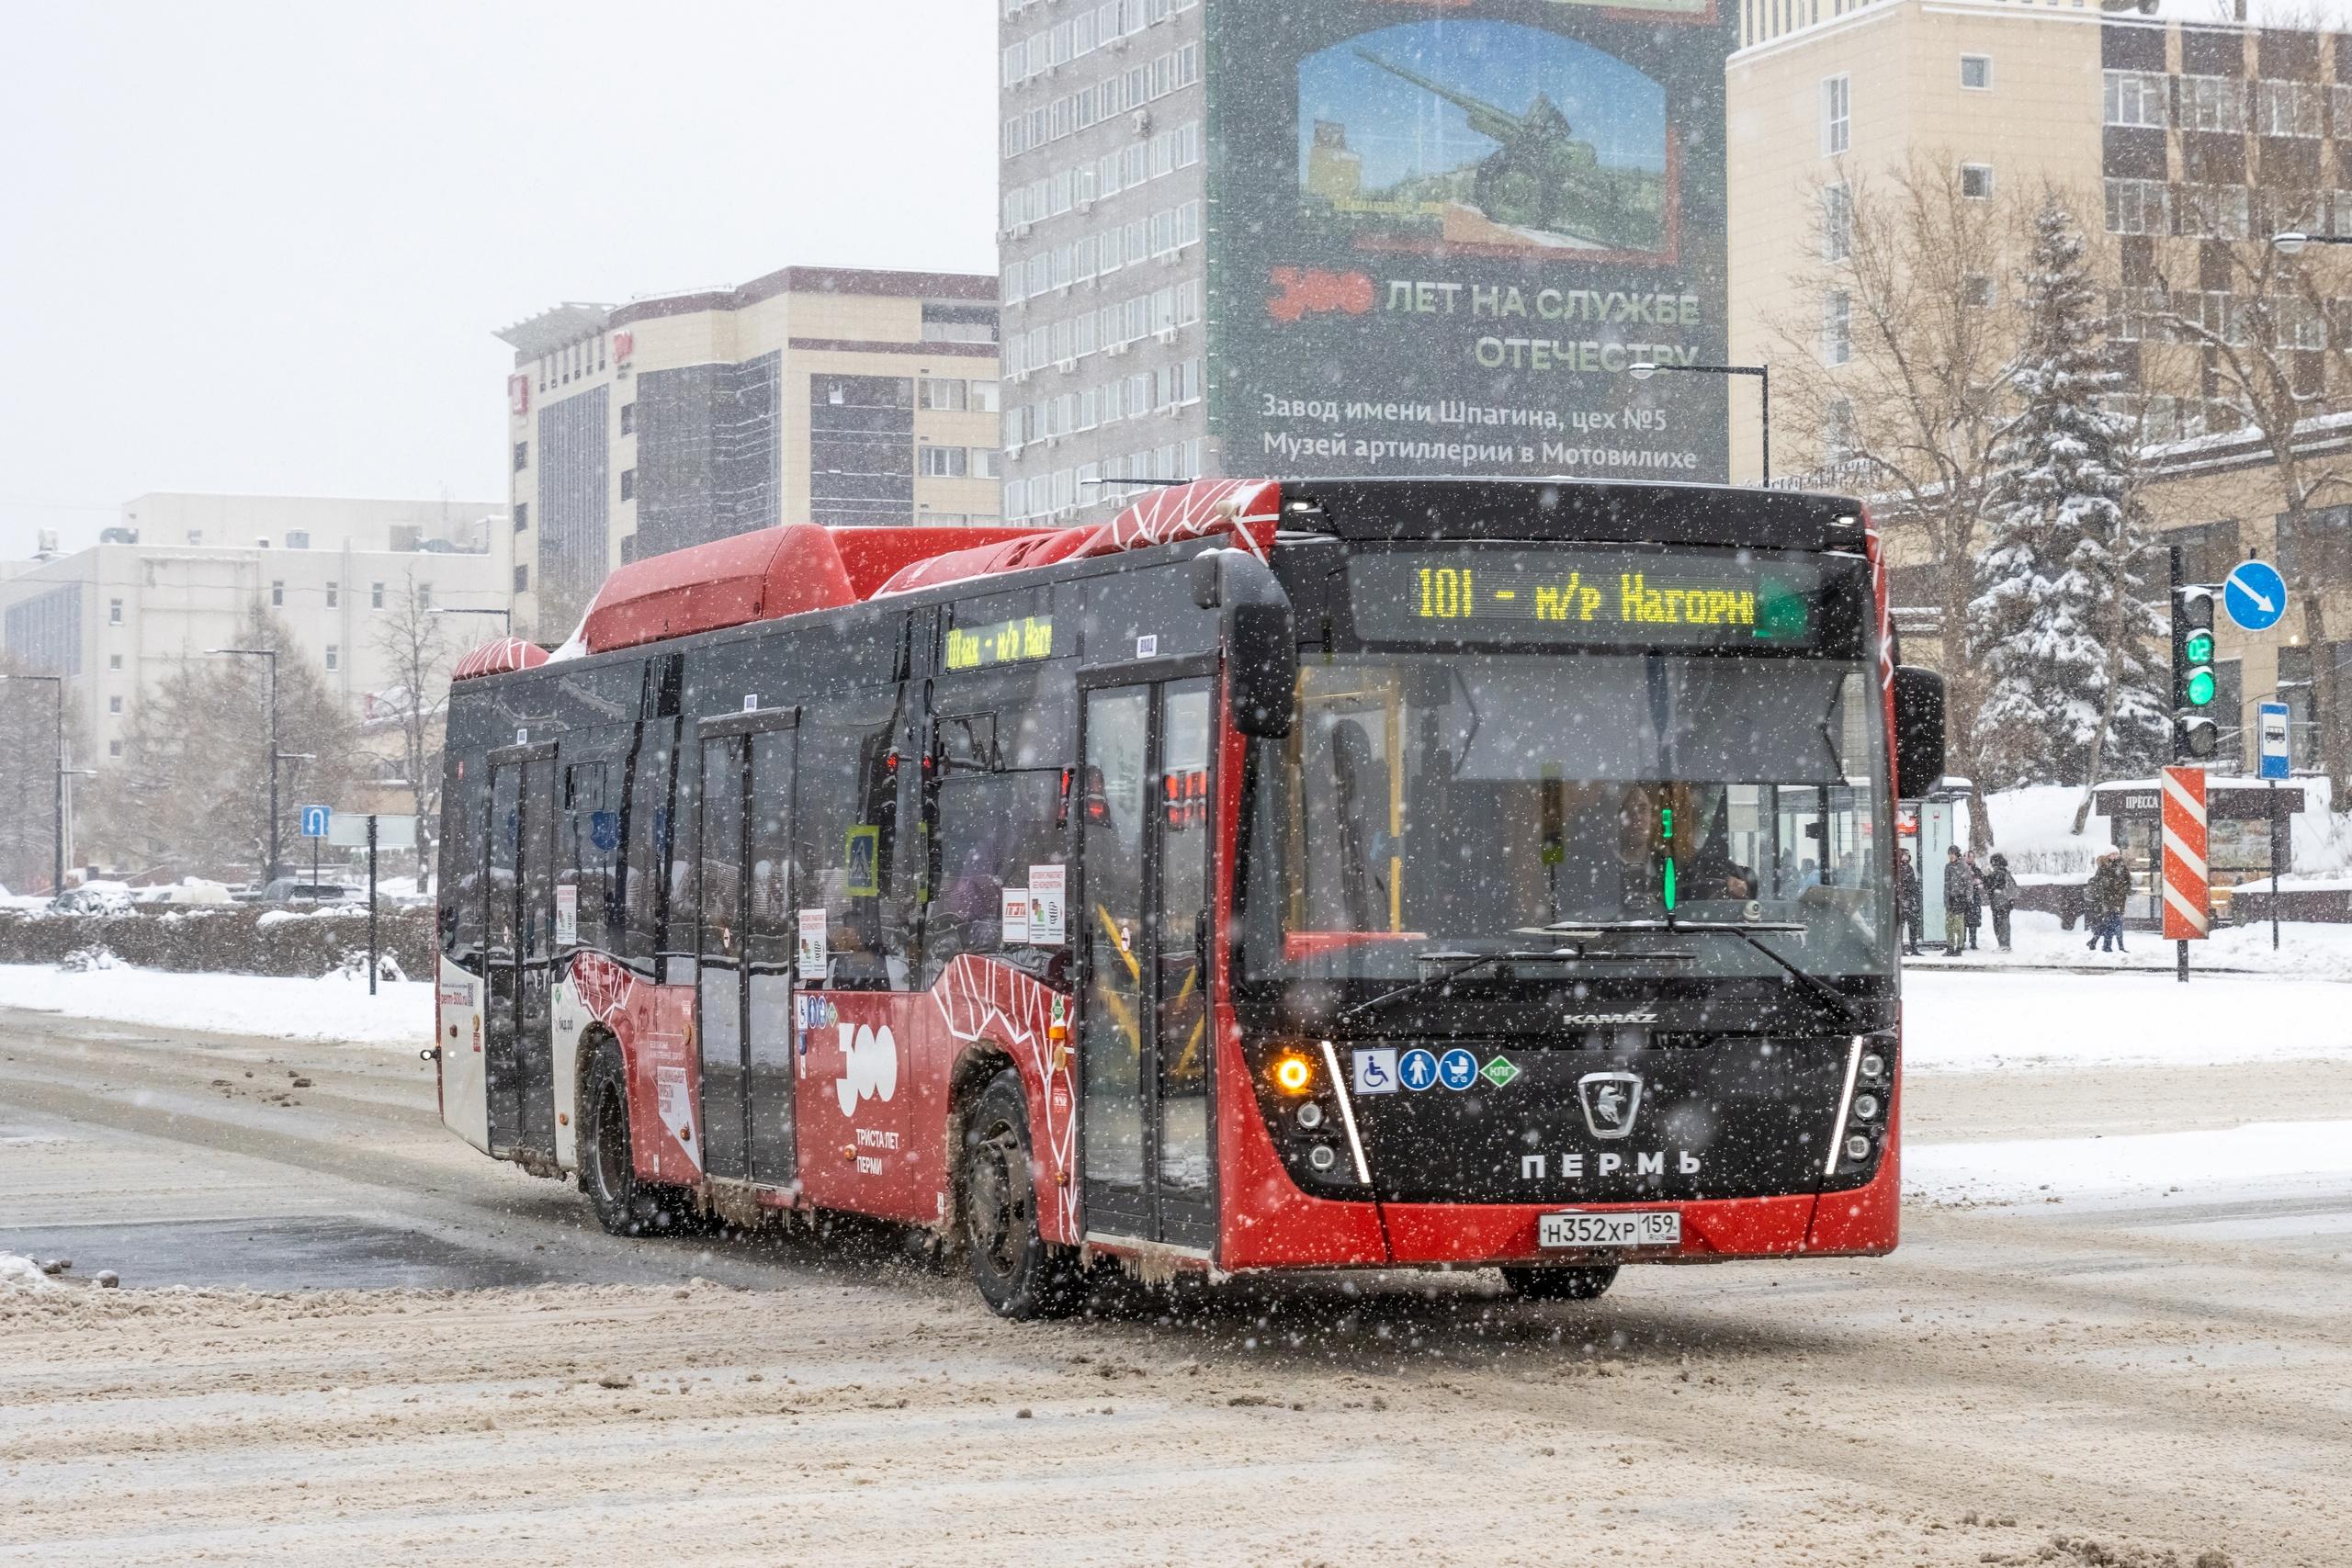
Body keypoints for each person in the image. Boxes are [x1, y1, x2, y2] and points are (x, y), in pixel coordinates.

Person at [2086, 848, 2131, 953]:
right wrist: (2103, 888)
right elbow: (2097, 882)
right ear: (2107, 855)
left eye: (2116, 854)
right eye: (2112, 854)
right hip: (2107, 901)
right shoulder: (2103, 867)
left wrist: (2124, 889)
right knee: (2115, 924)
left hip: (2119, 900)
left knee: (2110, 924)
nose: (2115, 856)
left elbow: (2128, 880)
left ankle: (2098, 942)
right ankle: (2113, 947)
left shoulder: (2122, 866)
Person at [1984, 852, 2018, 952]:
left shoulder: (1997, 873)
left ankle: (2004, 946)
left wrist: (1987, 876)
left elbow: (1990, 887)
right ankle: (2005, 945)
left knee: (1999, 924)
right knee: (2005, 923)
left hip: (1999, 903)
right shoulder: (2006, 872)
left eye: (1992, 862)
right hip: (2006, 903)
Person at [1941, 845, 1971, 956]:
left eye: (1953, 853)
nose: (1951, 856)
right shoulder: (1947, 867)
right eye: (1949, 854)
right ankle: (1950, 947)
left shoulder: (1963, 866)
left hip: (1960, 897)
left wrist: (1968, 898)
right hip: (1950, 898)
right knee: (1948, 924)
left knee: (1959, 924)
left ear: (1957, 854)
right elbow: (1946, 884)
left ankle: (1959, 947)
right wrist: (1946, 899)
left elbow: (1969, 884)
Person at [1896, 849, 1924, 956]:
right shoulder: (1898, 869)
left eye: (1907, 855)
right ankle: (1901, 949)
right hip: (1902, 902)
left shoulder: (1910, 868)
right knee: (1901, 926)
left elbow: (1913, 885)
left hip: (1910, 901)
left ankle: (1914, 948)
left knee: (1913, 925)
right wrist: (1903, 899)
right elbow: (1899, 886)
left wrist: (1913, 898)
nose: (1906, 857)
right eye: (1904, 855)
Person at [1963, 851, 1986, 951]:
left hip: (1974, 898)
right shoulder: (1961, 869)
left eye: (1972, 857)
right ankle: (1962, 941)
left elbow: (1981, 882)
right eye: (1968, 857)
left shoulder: (1977, 869)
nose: (1970, 859)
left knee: (1973, 920)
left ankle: (1973, 942)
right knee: (1962, 921)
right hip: (1963, 898)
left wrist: (1977, 882)